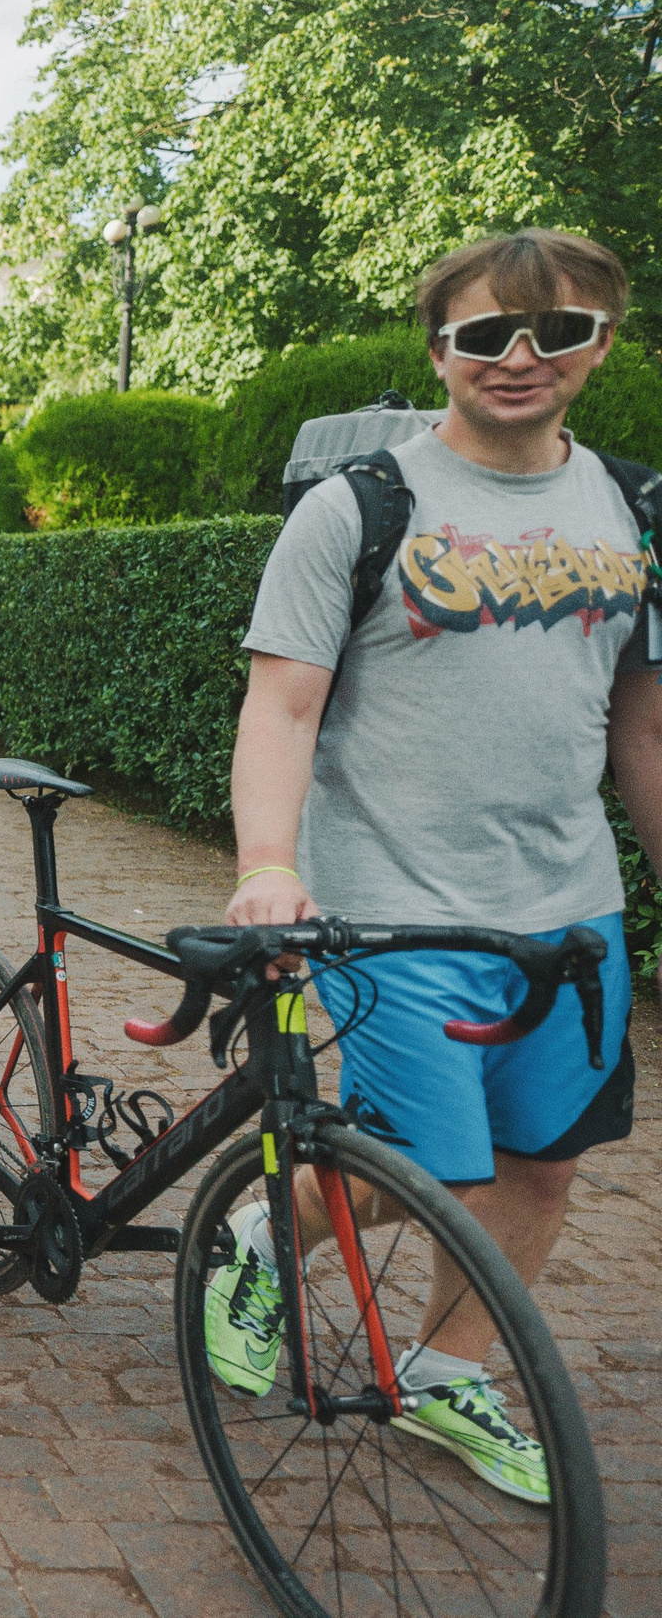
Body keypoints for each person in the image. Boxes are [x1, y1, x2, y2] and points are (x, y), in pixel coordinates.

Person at [210, 228, 652, 1504]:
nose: (519, 356)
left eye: (555, 330)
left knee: (539, 1163)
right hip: (391, 908)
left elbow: (642, 725)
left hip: (570, 909)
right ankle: (263, 1230)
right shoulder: (358, 507)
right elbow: (282, 704)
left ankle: (448, 1375)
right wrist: (266, 863)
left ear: (600, 343)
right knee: (422, 1167)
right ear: (439, 347)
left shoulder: (637, 508)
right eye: (485, 333)